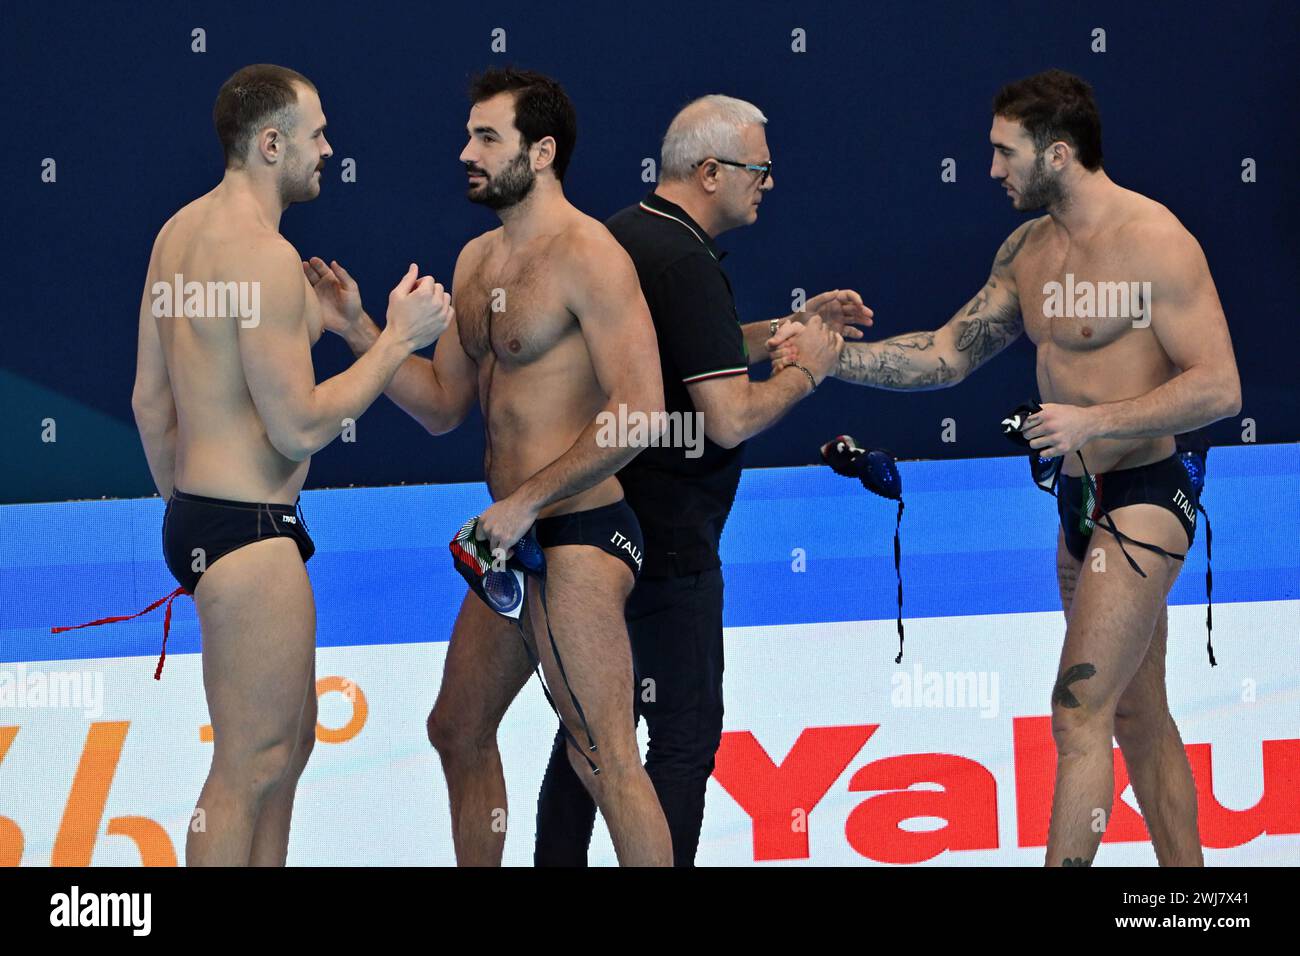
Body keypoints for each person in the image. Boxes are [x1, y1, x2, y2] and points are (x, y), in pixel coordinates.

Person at [773, 69, 1240, 866]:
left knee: (1078, 711)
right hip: (1078, 500)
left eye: (1003, 152)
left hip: (1148, 493)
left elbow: (1219, 386)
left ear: (1058, 155)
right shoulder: (1027, 251)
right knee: (1136, 714)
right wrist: (834, 359)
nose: (990, 170)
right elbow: (950, 354)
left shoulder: (1156, 242)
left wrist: (1097, 419)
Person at [315, 68, 672, 865]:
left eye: (487, 138)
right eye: (468, 135)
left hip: (578, 528)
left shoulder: (591, 255)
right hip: (511, 539)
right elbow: (442, 402)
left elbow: (643, 409)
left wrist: (528, 501)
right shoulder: (477, 259)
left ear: (542, 152)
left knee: (604, 754)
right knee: (457, 728)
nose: (465, 153)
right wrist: (359, 329)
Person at [532, 94, 867, 866]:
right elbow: (729, 416)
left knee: (592, 730)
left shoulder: (630, 234)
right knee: (680, 739)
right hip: (671, 539)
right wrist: (808, 372)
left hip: (603, 526)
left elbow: (690, 353)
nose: (769, 185)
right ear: (710, 171)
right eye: (761, 171)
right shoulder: (683, 260)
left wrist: (784, 328)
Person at [130, 64, 451, 865]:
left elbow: (149, 400)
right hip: (248, 531)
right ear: (271, 144)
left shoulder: (178, 234)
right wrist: (395, 340)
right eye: (317, 135)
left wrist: (190, 507)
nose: (329, 150)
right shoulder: (267, 257)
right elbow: (301, 424)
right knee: (249, 767)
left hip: (207, 519)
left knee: (288, 751)